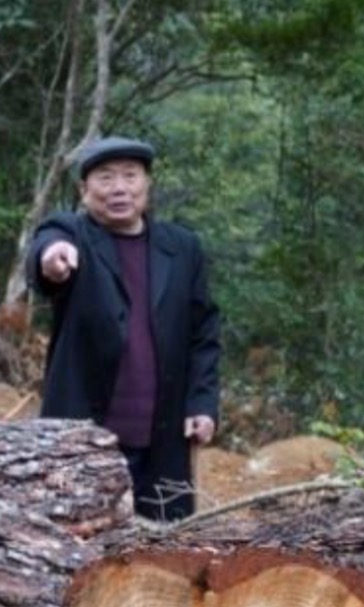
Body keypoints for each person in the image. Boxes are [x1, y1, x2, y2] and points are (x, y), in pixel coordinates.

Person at [27, 136, 221, 520]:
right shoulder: (74, 235)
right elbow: (48, 244)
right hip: (83, 437)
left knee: (162, 551)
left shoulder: (182, 248)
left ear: (147, 184)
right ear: (84, 191)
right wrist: (52, 259)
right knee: (77, 542)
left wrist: (202, 403)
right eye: (105, 178)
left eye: (130, 176)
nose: (119, 188)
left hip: (164, 439)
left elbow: (204, 333)